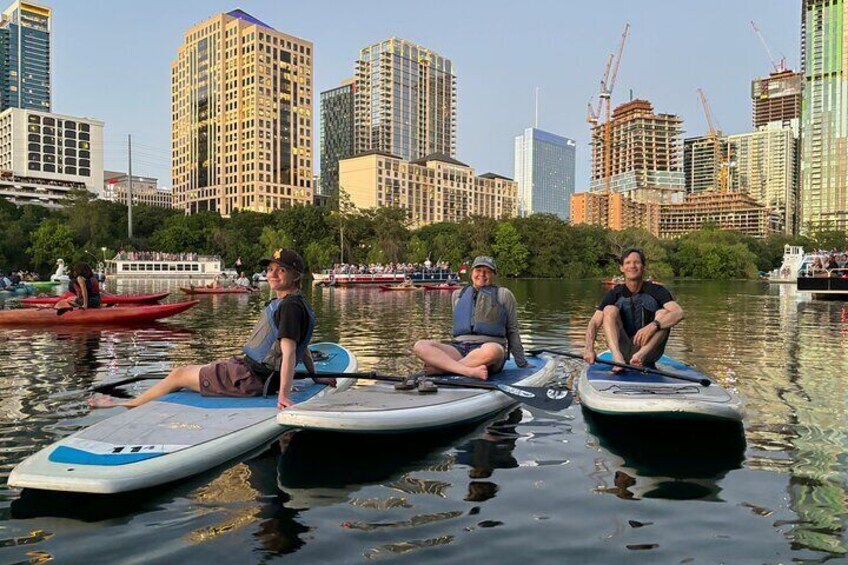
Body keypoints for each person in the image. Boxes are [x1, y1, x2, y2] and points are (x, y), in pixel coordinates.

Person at [89, 249, 332, 410]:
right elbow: (304, 348)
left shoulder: (289, 307)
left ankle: (130, 404)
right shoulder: (296, 302)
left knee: (179, 374)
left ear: (295, 276)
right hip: (249, 371)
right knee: (197, 369)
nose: (272, 274)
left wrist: (283, 396)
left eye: (281, 270)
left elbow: (290, 353)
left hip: (251, 381)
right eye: (270, 269)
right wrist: (313, 376)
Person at [411, 256, 529, 385]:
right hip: (460, 348)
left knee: (492, 351)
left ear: (493, 275)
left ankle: (443, 370)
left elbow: (512, 330)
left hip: (489, 349)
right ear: (471, 272)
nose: (482, 274)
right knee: (420, 346)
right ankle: (468, 371)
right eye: (478, 270)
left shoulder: (504, 295)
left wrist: (521, 362)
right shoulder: (457, 295)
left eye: (487, 271)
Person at [583, 248, 684, 370]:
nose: (632, 266)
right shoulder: (615, 293)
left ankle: (639, 357)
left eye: (637, 262)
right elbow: (594, 322)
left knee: (664, 313)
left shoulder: (658, 291)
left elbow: (679, 313)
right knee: (609, 309)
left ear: (643, 267)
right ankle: (617, 358)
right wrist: (589, 349)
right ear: (622, 268)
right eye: (628, 262)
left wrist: (653, 326)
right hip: (623, 348)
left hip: (649, 350)